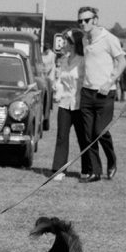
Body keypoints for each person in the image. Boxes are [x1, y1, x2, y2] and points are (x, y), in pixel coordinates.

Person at [76, 5, 125, 181]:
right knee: (88, 135)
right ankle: (95, 172)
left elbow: (122, 62)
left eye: (86, 20)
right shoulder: (84, 40)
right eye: (80, 21)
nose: (82, 23)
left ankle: (112, 160)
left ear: (95, 20)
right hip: (87, 92)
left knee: (100, 131)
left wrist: (110, 81)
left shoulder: (109, 39)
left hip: (105, 93)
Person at [49, 29, 87, 182]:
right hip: (65, 104)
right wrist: (56, 86)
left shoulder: (83, 60)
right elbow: (60, 80)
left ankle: (87, 169)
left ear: (73, 43)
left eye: (65, 41)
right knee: (62, 136)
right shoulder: (64, 59)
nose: (63, 43)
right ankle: (59, 169)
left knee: (83, 137)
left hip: (80, 104)